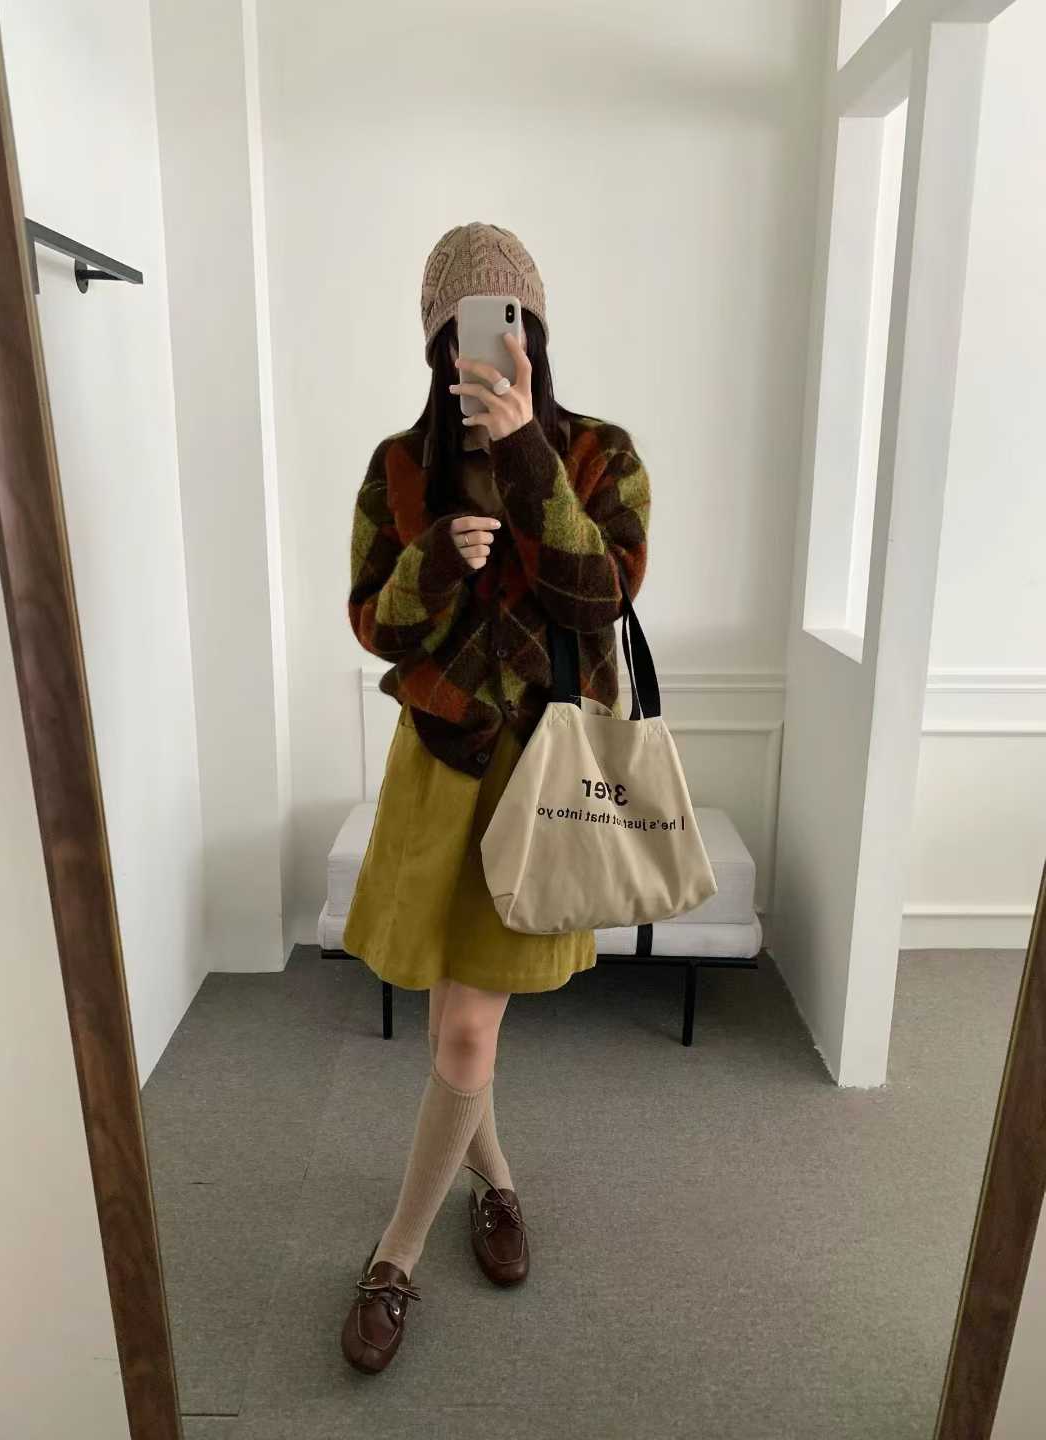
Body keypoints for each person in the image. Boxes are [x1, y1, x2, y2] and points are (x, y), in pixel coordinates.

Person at [339, 221, 651, 1374]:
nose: (487, 348)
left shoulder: (602, 455)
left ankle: (394, 1258)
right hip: (437, 774)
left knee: (469, 1027)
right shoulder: (398, 465)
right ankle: (499, 1184)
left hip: (542, 780)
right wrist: (433, 559)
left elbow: (602, 595)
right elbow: (372, 620)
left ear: (537, 333)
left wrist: (526, 459)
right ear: (436, 343)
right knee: (449, 1024)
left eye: (510, 325)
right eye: (464, 331)